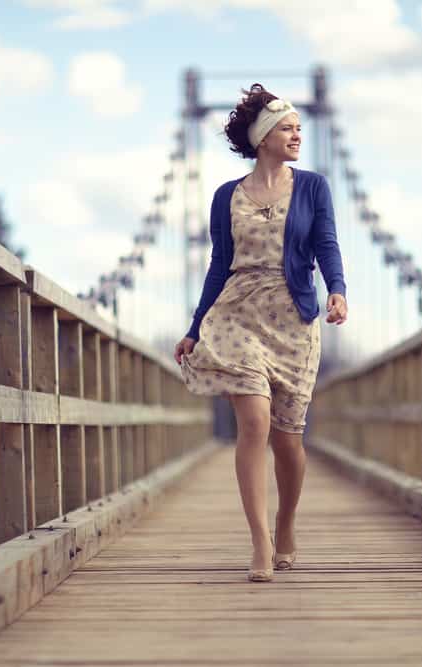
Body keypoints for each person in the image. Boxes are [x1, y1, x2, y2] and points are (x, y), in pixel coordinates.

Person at [174, 83, 348, 583]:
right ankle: (260, 543)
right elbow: (218, 266)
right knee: (254, 423)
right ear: (264, 137)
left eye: (299, 127)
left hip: (293, 318)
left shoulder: (313, 187)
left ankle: (286, 525)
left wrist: (336, 290)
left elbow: (326, 244)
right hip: (237, 315)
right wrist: (194, 328)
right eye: (288, 128)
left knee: (289, 438)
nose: (297, 134)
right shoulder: (225, 197)